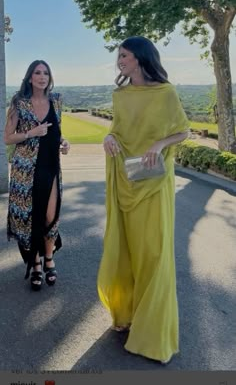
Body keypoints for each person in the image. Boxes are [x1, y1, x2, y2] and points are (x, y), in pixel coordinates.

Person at [97, 36, 189, 363]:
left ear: (139, 57)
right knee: (127, 250)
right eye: (119, 55)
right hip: (126, 179)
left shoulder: (166, 93)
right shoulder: (120, 95)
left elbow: (183, 131)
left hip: (154, 184)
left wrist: (160, 144)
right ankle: (128, 314)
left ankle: (152, 333)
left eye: (123, 55)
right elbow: (117, 130)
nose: (119, 60)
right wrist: (108, 137)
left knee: (153, 253)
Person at [4, 60, 70, 291]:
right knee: (30, 216)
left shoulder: (57, 99)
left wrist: (63, 142)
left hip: (51, 165)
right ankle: (36, 263)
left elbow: (57, 131)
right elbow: (8, 137)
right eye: (37, 73)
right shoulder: (18, 102)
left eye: (46, 73)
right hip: (26, 168)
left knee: (50, 214)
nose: (42, 76)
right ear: (30, 77)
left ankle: (49, 257)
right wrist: (31, 132)